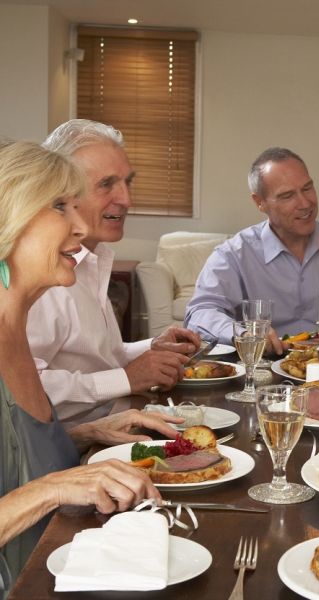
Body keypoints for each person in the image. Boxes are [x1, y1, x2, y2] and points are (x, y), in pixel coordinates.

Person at [0, 141, 181, 595]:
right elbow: (32, 486)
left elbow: (16, 457)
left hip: (65, 561)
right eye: (60, 206)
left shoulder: (15, 333)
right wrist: (53, 489)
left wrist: (91, 432)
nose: (81, 226)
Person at [26, 120, 201, 424]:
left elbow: (100, 358)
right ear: (60, 193)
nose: (126, 200)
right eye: (106, 184)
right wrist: (125, 379)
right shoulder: (41, 279)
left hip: (117, 421)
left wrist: (152, 347)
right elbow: (24, 388)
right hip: (72, 450)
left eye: (127, 182)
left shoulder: (93, 260)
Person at [185, 147, 319, 355]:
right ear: (259, 202)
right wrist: (245, 335)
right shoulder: (234, 254)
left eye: (307, 188)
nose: (305, 203)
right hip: (266, 369)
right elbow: (200, 313)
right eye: (287, 196)